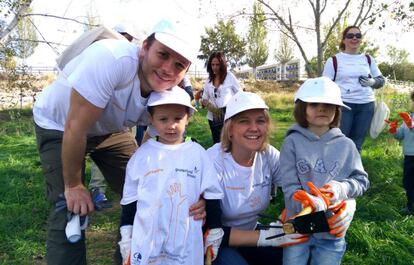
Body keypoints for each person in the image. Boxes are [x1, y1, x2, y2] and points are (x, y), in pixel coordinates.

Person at [33, 19, 206, 265]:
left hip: (111, 130)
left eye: (179, 64)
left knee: (148, 191)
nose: (168, 69)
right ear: (144, 47)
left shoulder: (167, 93)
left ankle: (130, 258)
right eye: (163, 54)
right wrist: (73, 185)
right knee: (70, 209)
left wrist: (191, 194)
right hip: (61, 125)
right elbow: (75, 126)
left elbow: (156, 144)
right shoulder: (112, 59)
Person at [118, 86, 223, 265]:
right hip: (147, 243)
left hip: (186, 243)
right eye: (163, 119)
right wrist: (126, 234)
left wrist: (214, 230)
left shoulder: (198, 154)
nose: (171, 125)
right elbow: (130, 199)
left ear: (188, 118)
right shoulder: (142, 156)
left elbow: (212, 194)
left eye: (178, 118)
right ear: (151, 119)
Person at [206, 91, 309, 265]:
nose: (254, 128)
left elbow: (300, 189)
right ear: (230, 129)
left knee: (302, 257)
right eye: (244, 121)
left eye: (260, 121)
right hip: (214, 242)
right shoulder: (212, 161)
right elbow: (208, 230)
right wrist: (266, 238)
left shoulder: (268, 155)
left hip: (251, 231)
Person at [280, 77, 370, 265]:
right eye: (314, 104)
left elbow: (361, 180)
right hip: (298, 226)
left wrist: (342, 189)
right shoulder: (292, 143)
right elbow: (288, 185)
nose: (322, 108)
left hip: (332, 229)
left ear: (337, 110)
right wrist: (307, 202)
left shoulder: (347, 145)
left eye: (328, 105)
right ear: (302, 108)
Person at [88, 22, 140, 207]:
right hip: (92, 122)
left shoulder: (134, 59)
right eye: (122, 36)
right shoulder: (101, 56)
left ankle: (131, 202)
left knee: (130, 161)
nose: (125, 41)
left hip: (121, 124)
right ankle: (97, 190)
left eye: (128, 38)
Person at [322, 25, 385, 152]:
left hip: (366, 105)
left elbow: (381, 80)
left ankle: (354, 170)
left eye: (358, 36)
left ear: (361, 39)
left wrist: (373, 82)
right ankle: (337, 169)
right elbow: (325, 84)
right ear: (344, 40)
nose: (354, 38)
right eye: (350, 36)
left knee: (357, 142)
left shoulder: (368, 59)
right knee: (340, 140)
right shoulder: (334, 60)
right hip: (343, 105)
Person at [202, 51, 242, 144]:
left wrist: (235, 108)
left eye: (217, 64)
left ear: (222, 65)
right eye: (212, 65)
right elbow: (204, 97)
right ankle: (218, 159)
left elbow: (240, 94)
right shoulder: (208, 80)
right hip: (213, 117)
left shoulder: (229, 77)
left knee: (229, 142)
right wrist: (209, 105)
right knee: (217, 143)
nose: (214, 67)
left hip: (228, 116)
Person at [386, 90, 414, 214]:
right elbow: (401, 135)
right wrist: (394, 130)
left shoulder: (409, 119)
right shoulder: (409, 116)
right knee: (408, 181)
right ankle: (410, 205)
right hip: (409, 155)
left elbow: (411, 128)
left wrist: (412, 126)